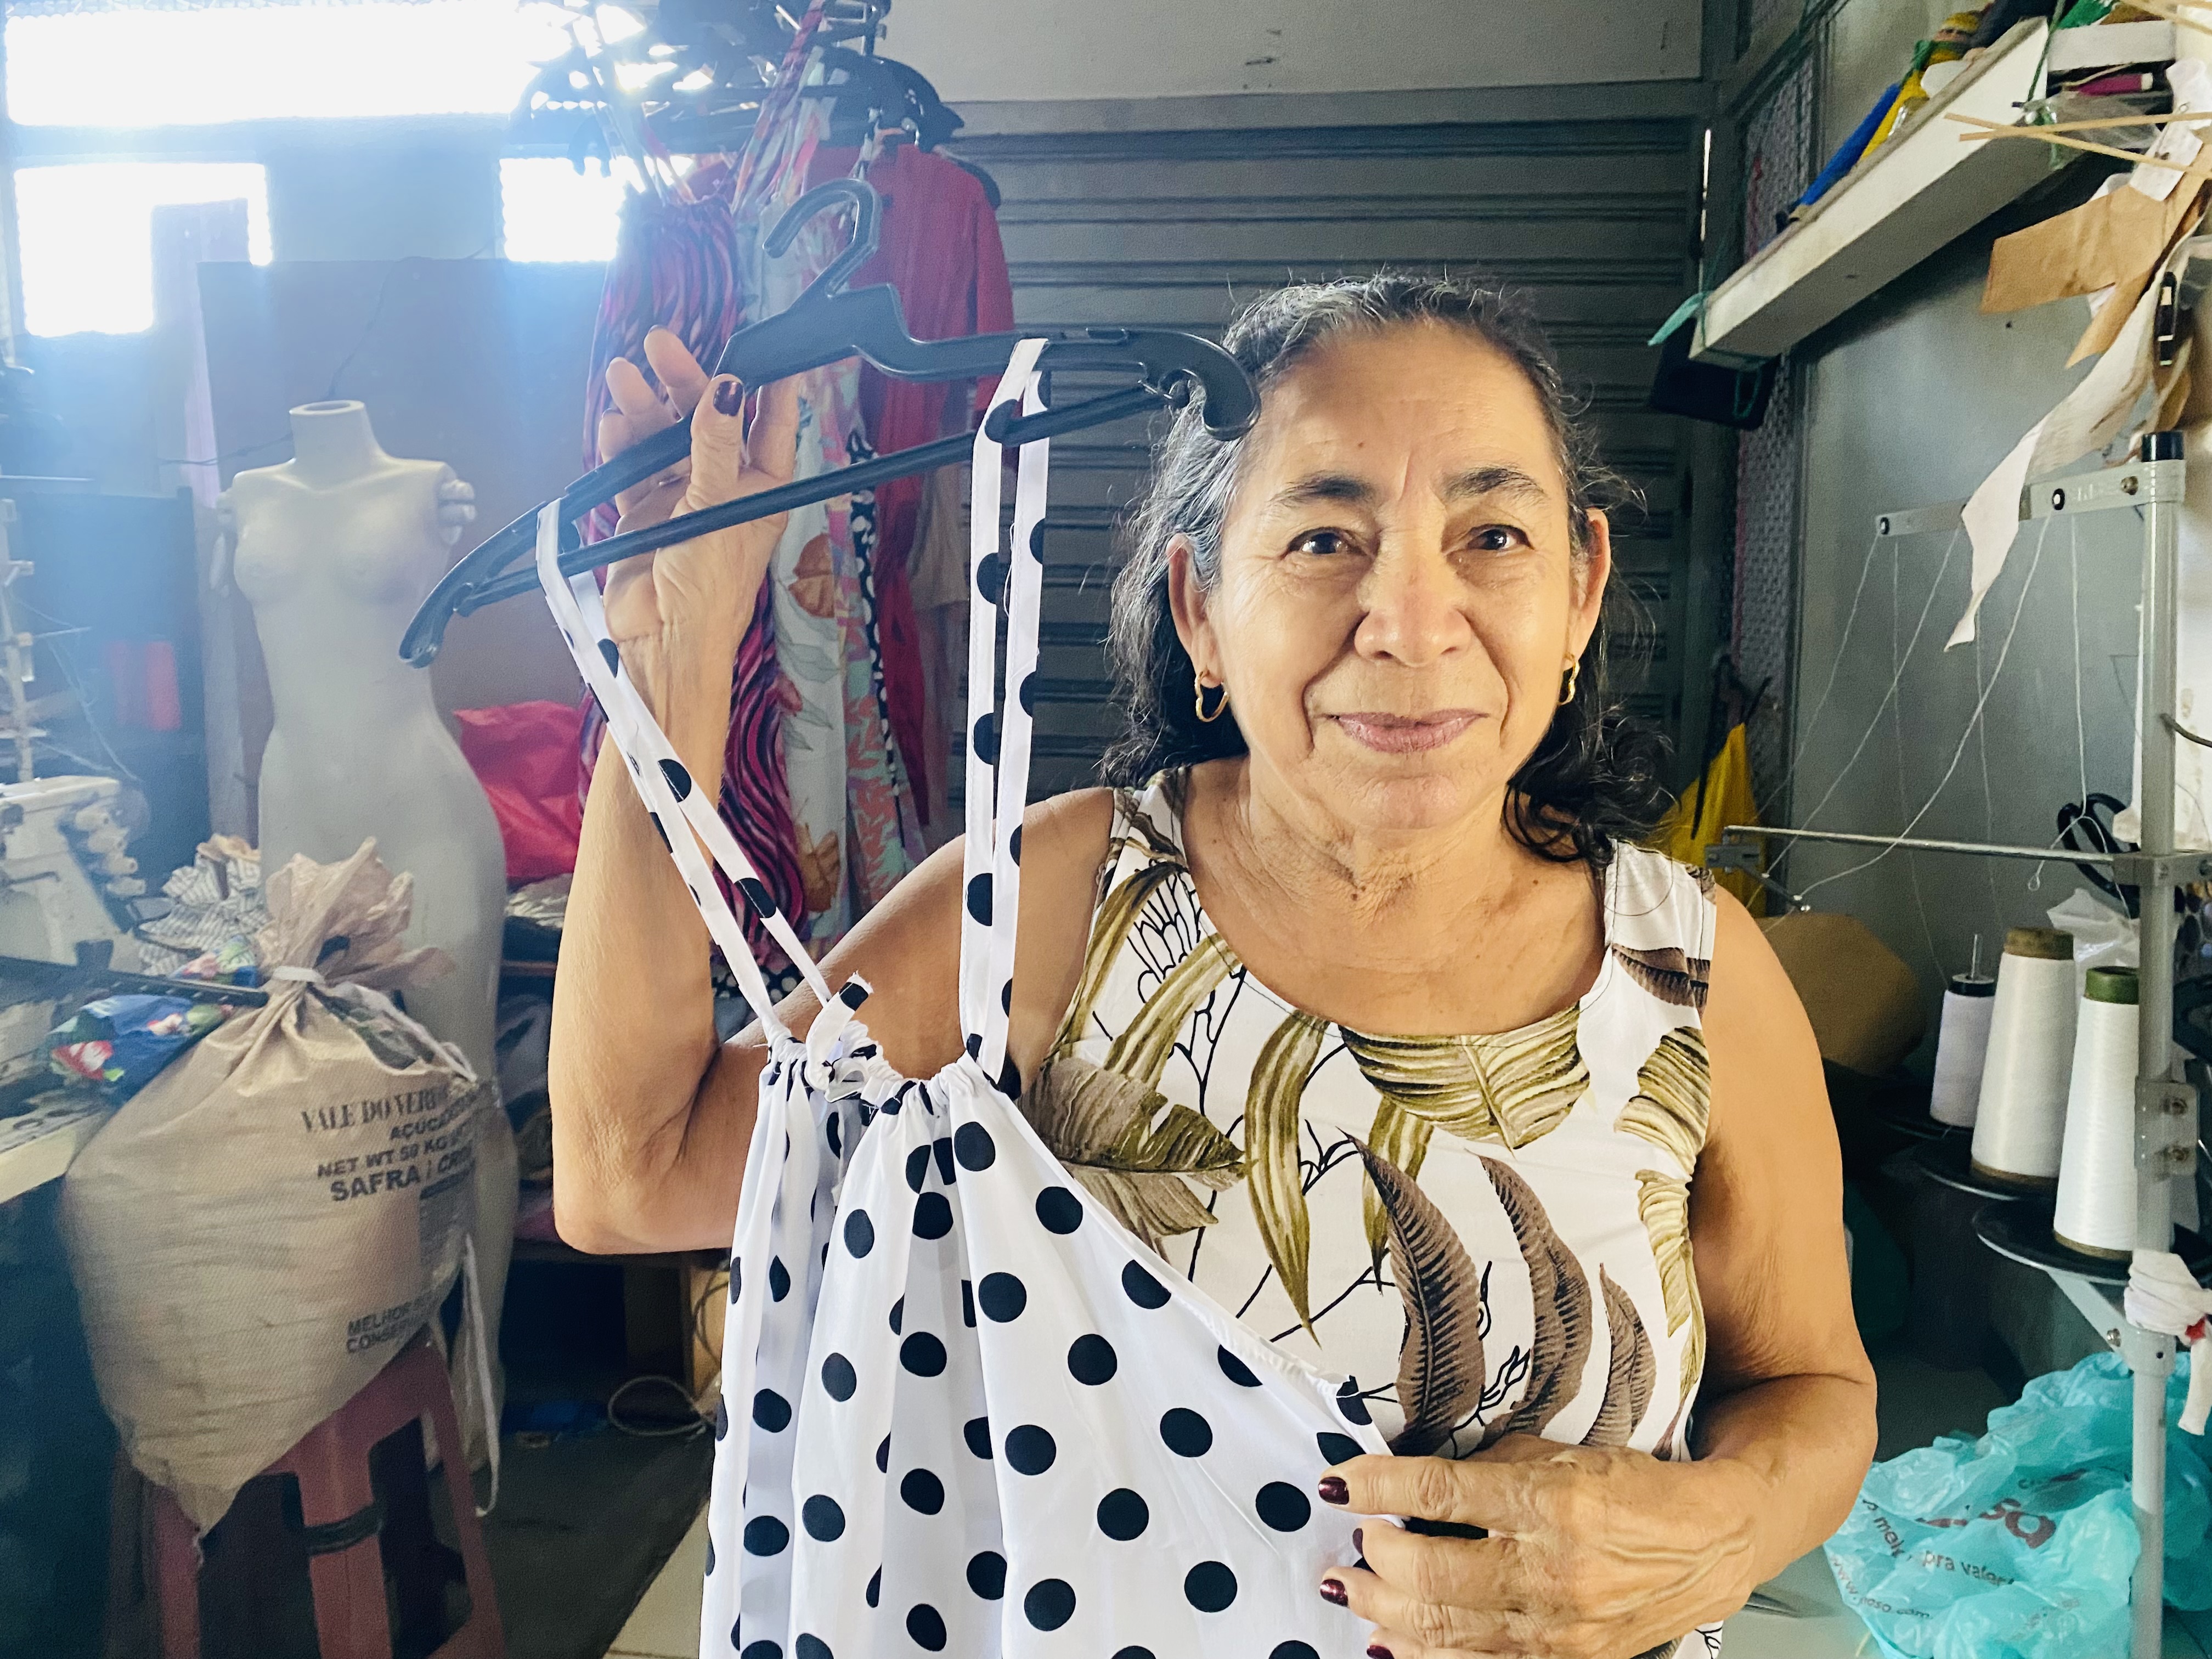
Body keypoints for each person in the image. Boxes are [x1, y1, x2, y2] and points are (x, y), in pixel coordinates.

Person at [550, 274, 1877, 1659]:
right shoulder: (1051, 911)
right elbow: (635, 1173)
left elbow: (1814, 1385)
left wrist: (1728, 1525)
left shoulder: (1691, 972)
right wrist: (680, 646)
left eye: (1491, 535)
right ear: (1201, 610)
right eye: (1322, 538)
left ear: (1582, 589)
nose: (1411, 622)